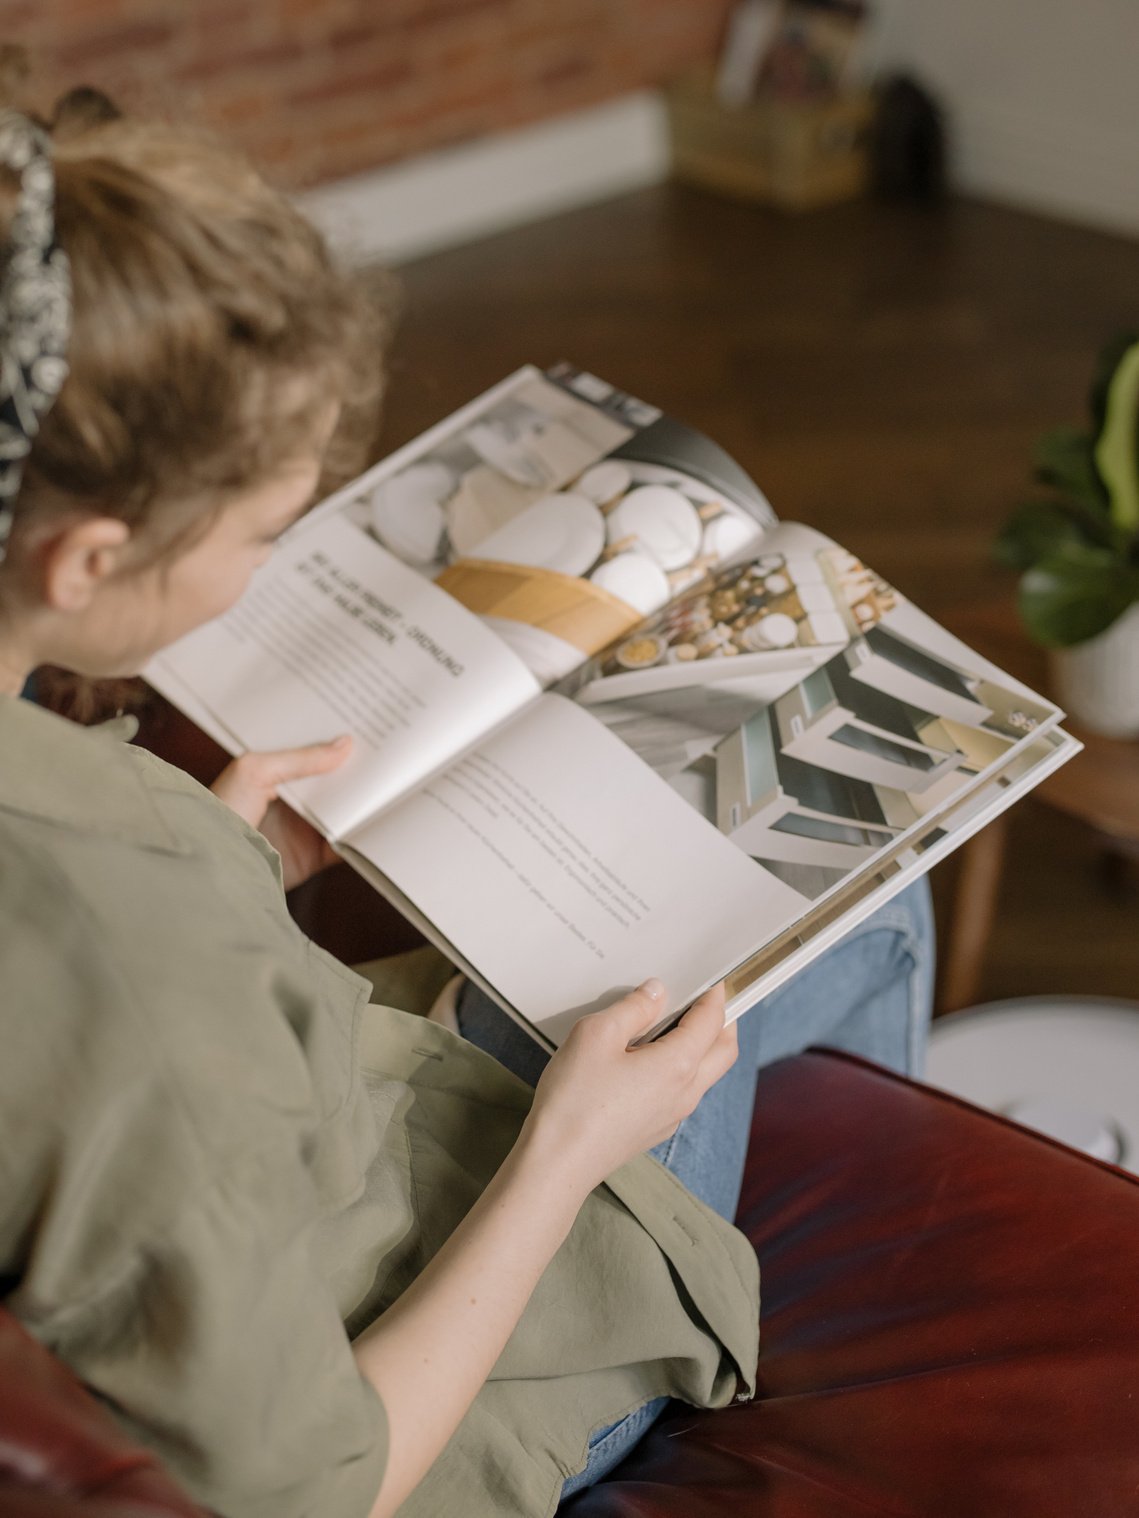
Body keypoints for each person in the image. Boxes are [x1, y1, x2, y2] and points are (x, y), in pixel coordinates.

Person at [0, 87, 934, 1518]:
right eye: (262, 529)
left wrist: (210, 848)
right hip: (439, 1377)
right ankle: (828, 1342)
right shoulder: (137, 970)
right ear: (87, 560)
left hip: (325, 1135)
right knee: (876, 899)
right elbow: (325, 1489)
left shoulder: (98, 866)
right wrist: (570, 1149)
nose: (270, 553)